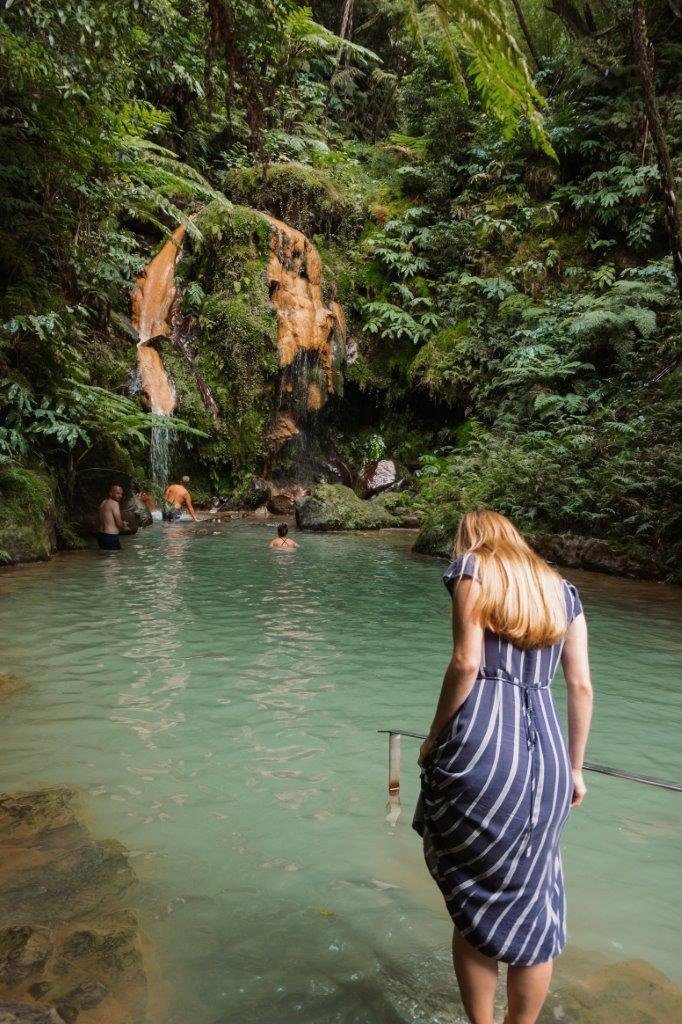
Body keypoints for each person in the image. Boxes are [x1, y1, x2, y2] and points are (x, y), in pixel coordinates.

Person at [413, 510, 593, 1024]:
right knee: (536, 901)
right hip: (552, 760)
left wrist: (433, 738)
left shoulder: (472, 568)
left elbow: (467, 662)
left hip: (483, 753)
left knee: (476, 899)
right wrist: (576, 769)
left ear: (472, 540)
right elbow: (580, 687)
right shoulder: (562, 590)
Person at [98, 484, 131, 550]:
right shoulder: (114, 504)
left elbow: (107, 520)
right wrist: (124, 524)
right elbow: (119, 523)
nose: (120, 496)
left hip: (101, 535)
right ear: (110, 493)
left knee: (105, 558)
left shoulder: (103, 503)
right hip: (111, 537)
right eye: (117, 493)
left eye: (121, 494)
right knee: (116, 558)